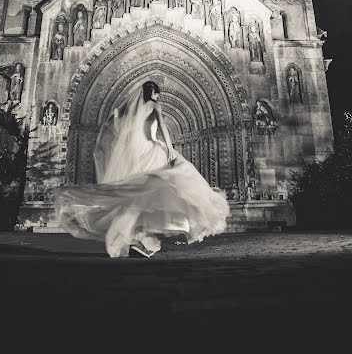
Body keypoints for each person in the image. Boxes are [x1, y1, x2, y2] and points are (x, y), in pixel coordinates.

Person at [54, 81, 230, 258]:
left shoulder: (132, 110)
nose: (158, 97)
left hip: (136, 153)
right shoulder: (155, 105)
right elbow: (162, 127)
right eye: (157, 94)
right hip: (152, 149)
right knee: (174, 180)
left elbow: (119, 127)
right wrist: (170, 149)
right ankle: (156, 235)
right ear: (153, 93)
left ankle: (140, 240)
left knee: (137, 195)